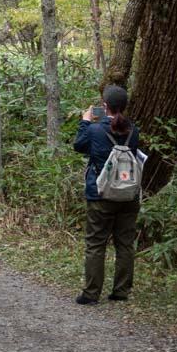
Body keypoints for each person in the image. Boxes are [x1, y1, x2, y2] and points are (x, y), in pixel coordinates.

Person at [72, 84, 141, 305]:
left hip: (101, 194)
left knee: (95, 244)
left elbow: (79, 146)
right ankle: (121, 291)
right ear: (125, 107)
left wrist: (85, 122)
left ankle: (91, 293)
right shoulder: (134, 131)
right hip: (128, 195)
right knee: (125, 244)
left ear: (105, 107)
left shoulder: (94, 130)